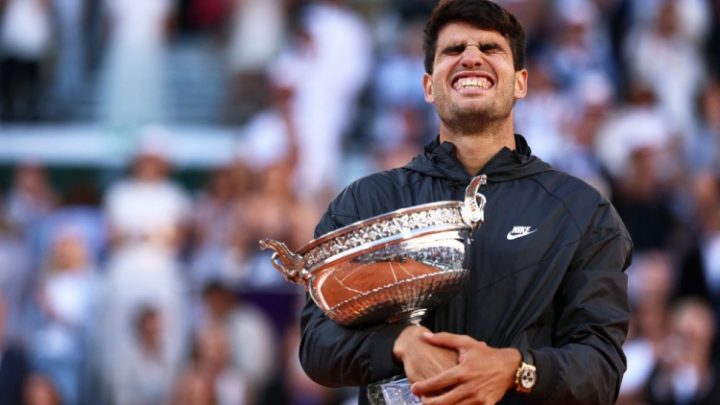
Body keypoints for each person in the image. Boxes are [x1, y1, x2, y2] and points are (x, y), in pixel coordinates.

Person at [298, 1, 633, 404]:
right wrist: (399, 344)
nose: (471, 57)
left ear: (521, 82)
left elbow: (601, 369)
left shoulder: (579, 210)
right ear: (427, 85)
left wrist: (516, 368)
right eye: (453, 50)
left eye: (490, 49)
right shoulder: (368, 200)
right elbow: (317, 344)